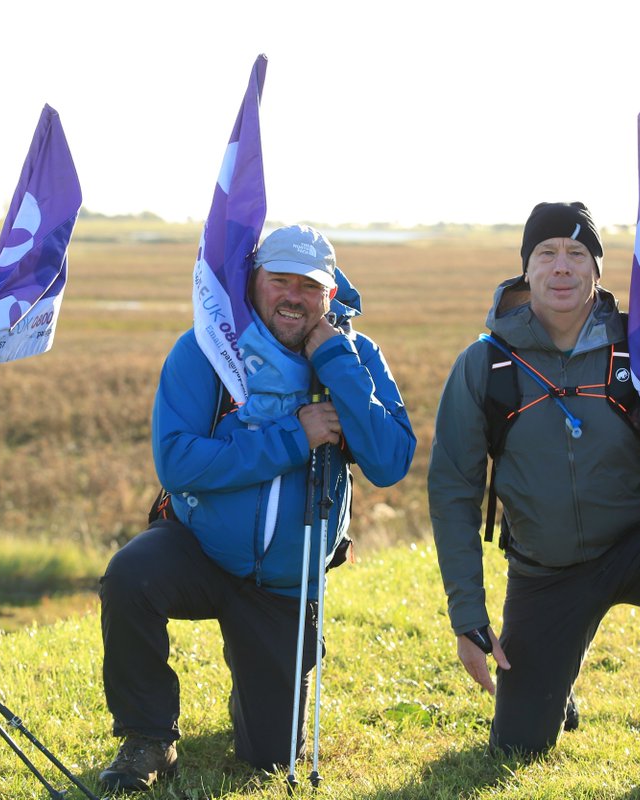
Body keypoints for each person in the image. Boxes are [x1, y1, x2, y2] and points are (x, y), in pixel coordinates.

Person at [427, 202, 640, 785]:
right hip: (545, 572)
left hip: (634, 547)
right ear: (527, 270)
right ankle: (554, 683)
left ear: (598, 271)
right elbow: (453, 490)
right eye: (546, 253)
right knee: (518, 747)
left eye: (578, 253)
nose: (562, 267)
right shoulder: (485, 364)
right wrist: (467, 616)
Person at [97, 224, 416, 791]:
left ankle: (260, 685)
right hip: (198, 548)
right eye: (280, 280)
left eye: (310, 286)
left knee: (267, 758)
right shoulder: (206, 349)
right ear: (253, 282)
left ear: (330, 296)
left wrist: (335, 359)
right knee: (130, 577)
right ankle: (148, 737)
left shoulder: (357, 356)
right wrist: (295, 438)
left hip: (285, 585)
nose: (293, 296)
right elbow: (177, 461)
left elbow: (390, 461)